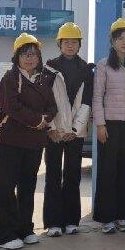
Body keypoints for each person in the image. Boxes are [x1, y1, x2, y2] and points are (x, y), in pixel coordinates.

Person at [0, 33, 56, 250]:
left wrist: (46, 118)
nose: (30, 58)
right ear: (17, 57)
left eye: (34, 54)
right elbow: (11, 107)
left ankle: (25, 229)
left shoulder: (43, 79)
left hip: (34, 143)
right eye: (25, 54)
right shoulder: (10, 79)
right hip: (11, 141)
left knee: (28, 186)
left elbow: (52, 106)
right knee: (6, 187)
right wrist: (37, 120)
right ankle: (4, 235)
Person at [92, 18, 125, 234]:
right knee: (108, 170)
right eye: (120, 38)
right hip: (110, 124)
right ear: (112, 41)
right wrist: (100, 125)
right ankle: (106, 218)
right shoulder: (104, 65)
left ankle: (123, 216)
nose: (124, 42)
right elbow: (97, 97)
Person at [42, 22, 94, 237]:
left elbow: (87, 102)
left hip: (75, 133)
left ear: (79, 45)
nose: (70, 45)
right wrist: (51, 128)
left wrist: (76, 129)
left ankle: (72, 221)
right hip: (54, 132)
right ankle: (53, 223)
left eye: (74, 42)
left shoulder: (86, 69)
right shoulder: (49, 68)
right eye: (66, 42)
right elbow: (45, 100)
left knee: (73, 176)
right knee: (53, 175)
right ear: (59, 44)